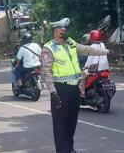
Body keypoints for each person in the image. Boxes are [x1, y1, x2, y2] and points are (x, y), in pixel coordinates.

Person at [40, 18, 109, 153]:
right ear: (55, 31)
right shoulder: (49, 48)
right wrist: (53, 93)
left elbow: (87, 50)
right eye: (62, 30)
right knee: (60, 124)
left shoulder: (70, 43)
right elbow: (46, 72)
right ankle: (62, 150)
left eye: (66, 30)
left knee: (72, 122)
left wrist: (106, 52)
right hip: (60, 89)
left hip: (74, 89)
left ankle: (69, 148)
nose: (65, 32)